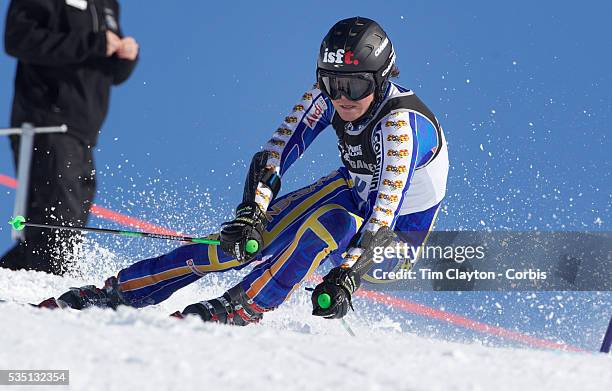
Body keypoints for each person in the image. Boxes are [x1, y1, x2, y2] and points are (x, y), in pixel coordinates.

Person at [38, 17, 448, 323]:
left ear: (380, 78)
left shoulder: (398, 126)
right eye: (331, 82)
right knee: (241, 242)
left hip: (395, 238)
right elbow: (274, 153)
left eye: (354, 86)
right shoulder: (327, 96)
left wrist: (346, 276)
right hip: (352, 189)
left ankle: (243, 305)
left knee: (334, 223)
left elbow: (383, 216)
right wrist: (251, 212)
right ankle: (119, 292)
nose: (341, 96)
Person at [1, 0, 139, 275]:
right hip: (45, 122)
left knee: (68, 221)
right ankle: (51, 294)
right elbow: (18, 39)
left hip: (83, 131)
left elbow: (109, 71)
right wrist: (94, 43)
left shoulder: (107, 4)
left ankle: (16, 286)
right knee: (58, 215)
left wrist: (126, 59)